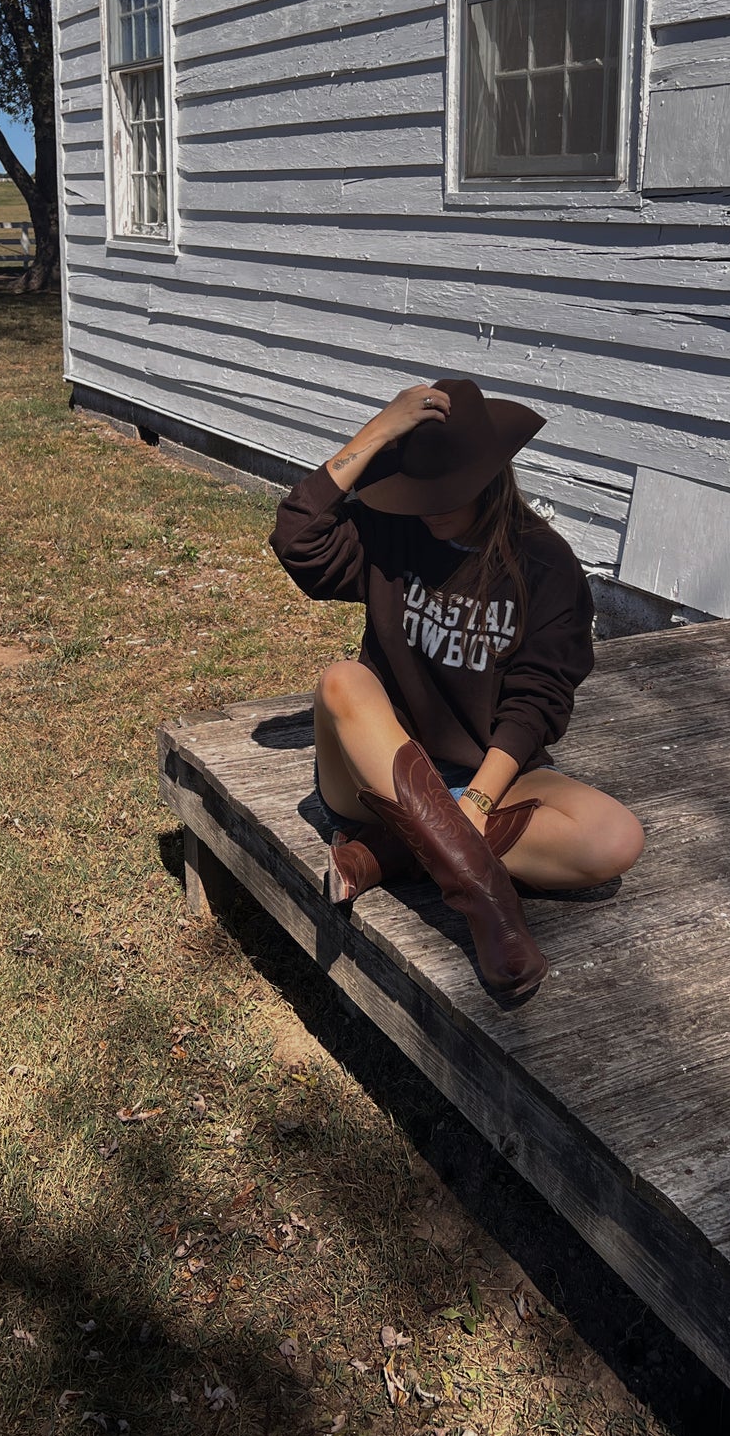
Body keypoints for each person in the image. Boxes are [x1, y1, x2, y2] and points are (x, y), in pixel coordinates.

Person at [270, 377, 644, 1003]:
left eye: (450, 491)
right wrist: (379, 430)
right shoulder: (392, 530)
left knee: (614, 837)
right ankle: (487, 906)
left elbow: (538, 701)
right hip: (375, 773)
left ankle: (387, 854)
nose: (433, 506)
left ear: (492, 474)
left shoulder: (544, 565)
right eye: (421, 491)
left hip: (484, 776)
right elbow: (298, 540)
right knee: (343, 681)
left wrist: (476, 805)